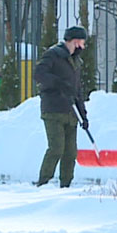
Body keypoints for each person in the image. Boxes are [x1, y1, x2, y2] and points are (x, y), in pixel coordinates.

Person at [34, 25, 89, 188]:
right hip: (53, 109)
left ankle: (66, 183)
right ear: (75, 41)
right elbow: (39, 74)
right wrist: (58, 83)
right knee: (56, 148)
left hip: (71, 113)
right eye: (82, 42)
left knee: (70, 152)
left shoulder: (76, 62)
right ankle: (43, 181)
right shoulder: (53, 55)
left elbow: (77, 90)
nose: (83, 47)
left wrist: (83, 115)